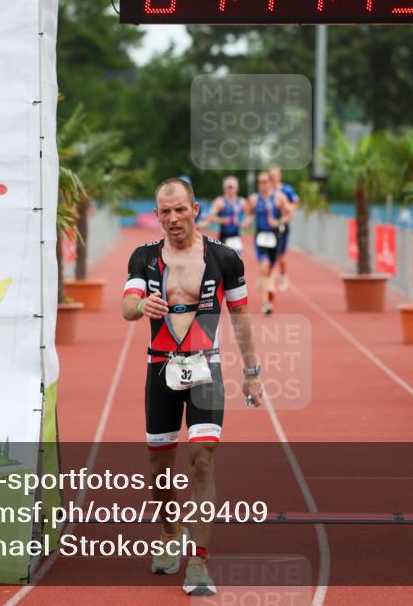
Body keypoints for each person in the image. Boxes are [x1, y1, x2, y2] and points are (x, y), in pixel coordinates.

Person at [122, 178, 263, 596]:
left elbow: (240, 317)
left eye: (180, 209)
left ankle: (199, 561)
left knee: (202, 459)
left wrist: (252, 371)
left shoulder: (224, 257)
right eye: (165, 212)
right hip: (160, 370)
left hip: (206, 370)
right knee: (159, 470)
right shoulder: (144, 258)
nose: (172, 219)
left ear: (196, 209)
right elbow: (127, 305)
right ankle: (170, 534)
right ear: (157, 214)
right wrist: (140, 305)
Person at [248, 172, 292, 316]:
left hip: (274, 237)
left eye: (266, 181)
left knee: (271, 267)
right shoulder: (254, 199)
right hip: (260, 237)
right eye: (261, 181)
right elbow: (249, 214)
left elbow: (290, 215)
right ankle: (266, 303)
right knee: (264, 267)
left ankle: (267, 284)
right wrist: (246, 222)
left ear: (270, 183)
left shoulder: (278, 198)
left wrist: (278, 222)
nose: (263, 184)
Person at [268, 165, 299, 292]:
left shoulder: (286, 190)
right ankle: (270, 280)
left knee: (280, 257)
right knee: (270, 256)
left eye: (275, 176)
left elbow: (295, 204)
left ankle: (283, 276)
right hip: (269, 228)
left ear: (279, 176)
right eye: (271, 176)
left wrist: (285, 207)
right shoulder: (268, 191)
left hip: (281, 226)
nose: (273, 178)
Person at [204, 176, 250, 255]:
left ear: (237, 189)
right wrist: (222, 220)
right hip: (223, 238)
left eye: (232, 187)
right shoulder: (220, 201)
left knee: (236, 263)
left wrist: (243, 224)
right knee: (224, 264)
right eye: (228, 187)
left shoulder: (242, 202)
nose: (230, 190)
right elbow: (211, 217)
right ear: (224, 189)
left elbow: (249, 217)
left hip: (236, 237)